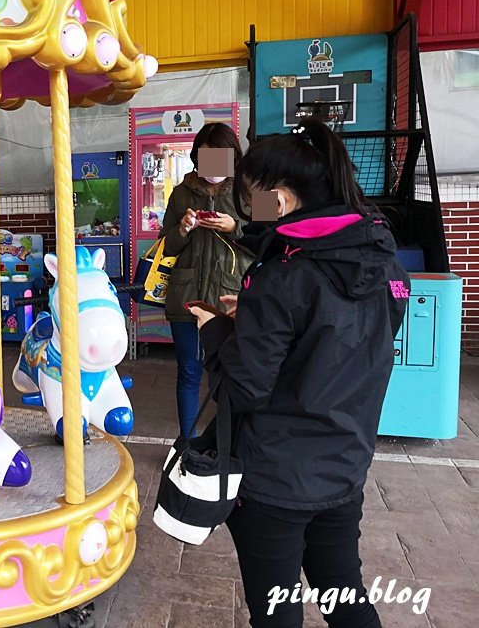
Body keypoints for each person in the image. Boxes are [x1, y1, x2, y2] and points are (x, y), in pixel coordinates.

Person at [188, 117, 410, 627]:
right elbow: (337, 340)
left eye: (252, 197)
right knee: (345, 592)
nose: (250, 209)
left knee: (276, 612)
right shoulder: (382, 263)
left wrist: (217, 330)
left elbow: (245, 387)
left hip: (277, 480)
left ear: (281, 199)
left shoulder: (285, 276)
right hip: (346, 464)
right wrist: (257, 319)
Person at [159, 122, 249, 437]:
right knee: (188, 373)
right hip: (187, 298)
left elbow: (271, 237)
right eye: (206, 158)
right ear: (197, 157)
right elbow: (166, 245)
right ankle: (188, 444)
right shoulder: (181, 193)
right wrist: (182, 229)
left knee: (229, 375)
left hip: (230, 299)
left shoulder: (250, 191)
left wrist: (235, 226)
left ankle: (225, 443)